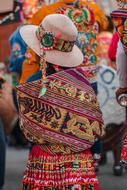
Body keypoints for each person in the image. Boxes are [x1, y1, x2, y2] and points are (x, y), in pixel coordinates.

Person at [17, 14, 104, 189]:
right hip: (79, 162)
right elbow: (95, 125)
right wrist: (95, 151)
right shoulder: (84, 84)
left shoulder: (33, 82)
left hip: (43, 160)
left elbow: (27, 130)